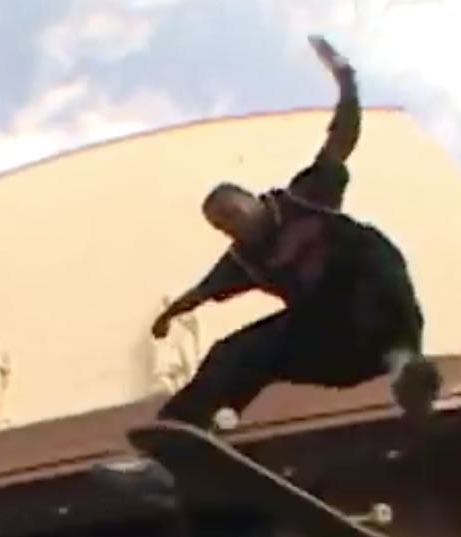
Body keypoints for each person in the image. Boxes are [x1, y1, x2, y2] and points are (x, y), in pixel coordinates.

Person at [151, 35, 441, 433]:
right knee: (233, 350)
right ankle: (189, 424)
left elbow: (341, 139)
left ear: (253, 198)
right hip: (337, 349)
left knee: (367, 251)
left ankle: (406, 369)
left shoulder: (303, 198)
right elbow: (200, 292)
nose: (232, 226)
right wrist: (167, 317)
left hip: (381, 320)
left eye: (233, 213)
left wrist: (346, 80)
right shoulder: (243, 260)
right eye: (222, 226)